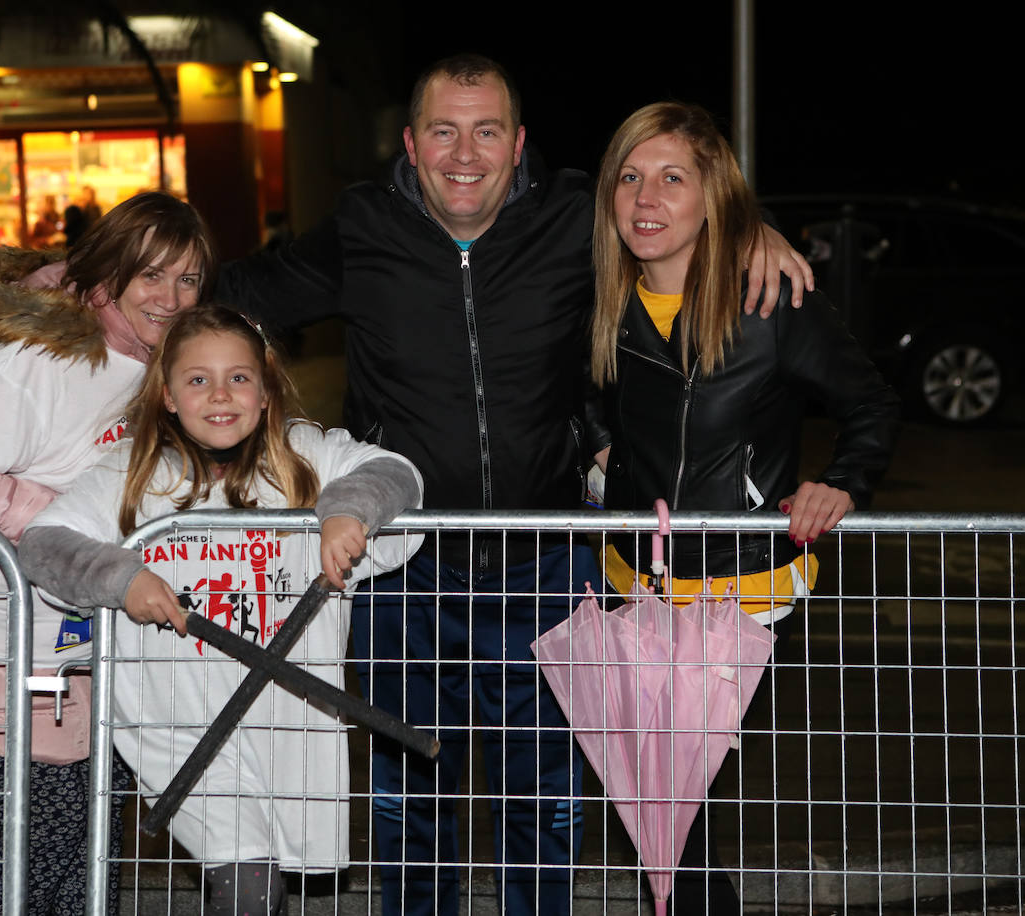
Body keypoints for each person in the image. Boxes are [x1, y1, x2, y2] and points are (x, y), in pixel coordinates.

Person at [217, 54, 815, 916]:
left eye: (486, 130)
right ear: (413, 144)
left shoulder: (574, 215)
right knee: (406, 796)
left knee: (545, 799)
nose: (467, 152)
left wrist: (749, 230)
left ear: (518, 142)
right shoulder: (363, 226)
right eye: (445, 131)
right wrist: (98, 279)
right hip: (404, 568)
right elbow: (233, 293)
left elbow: (671, 220)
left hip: (548, 563)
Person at [589, 101, 901, 913]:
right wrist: (596, 452)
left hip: (745, 592)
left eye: (671, 179)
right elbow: (579, 404)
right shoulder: (605, 305)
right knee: (661, 810)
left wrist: (845, 481)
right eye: (630, 177)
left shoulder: (770, 301)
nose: (646, 198)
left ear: (712, 197)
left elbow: (871, 404)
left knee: (676, 802)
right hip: (638, 586)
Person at [15, 304, 424, 915]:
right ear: (168, 397)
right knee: (247, 884)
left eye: (238, 377)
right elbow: (44, 545)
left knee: (268, 881)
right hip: (177, 719)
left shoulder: (303, 455)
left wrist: (350, 508)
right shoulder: (131, 472)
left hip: (291, 717)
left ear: (265, 391)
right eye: (198, 379)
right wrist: (121, 578)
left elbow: (397, 472)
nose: (220, 394)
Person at [0, 190, 212, 915]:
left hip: (78, 637)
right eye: (152, 277)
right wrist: (60, 522)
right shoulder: (35, 357)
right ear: (106, 279)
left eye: (190, 279)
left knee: (89, 830)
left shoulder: (148, 358)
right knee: (44, 838)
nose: (172, 298)